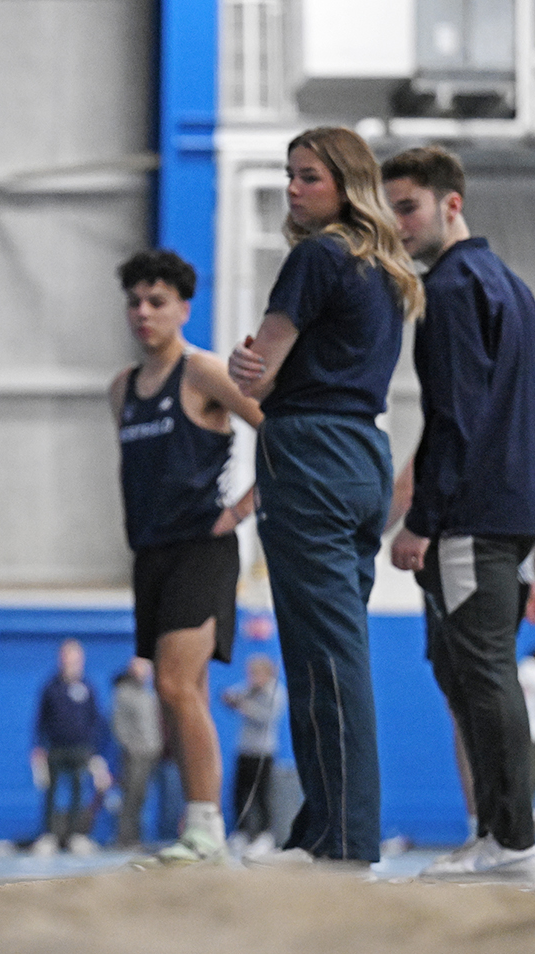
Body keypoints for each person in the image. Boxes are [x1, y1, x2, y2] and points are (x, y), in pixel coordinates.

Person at [228, 126, 424, 866]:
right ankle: (321, 830)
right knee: (328, 653)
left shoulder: (318, 257)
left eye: (308, 176)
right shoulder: (385, 268)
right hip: (363, 454)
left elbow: (256, 373)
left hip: (310, 452)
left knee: (324, 660)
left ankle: (342, 839)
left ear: (346, 183)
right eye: (289, 174)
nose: (292, 187)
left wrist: (250, 364)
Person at [380, 145, 535, 877]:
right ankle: (499, 836)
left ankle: (511, 839)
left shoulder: (448, 289)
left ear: (451, 203)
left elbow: (457, 418)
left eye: (407, 207)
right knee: (464, 666)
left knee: (482, 671)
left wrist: (422, 520)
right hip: (510, 513)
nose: (398, 225)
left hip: (475, 515)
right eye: (390, 211)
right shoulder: (512, 286)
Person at [109, 249, 263, 865]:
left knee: (173, 684)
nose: (143, 313)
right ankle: (198, 831)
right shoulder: (120, 390)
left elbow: (278, 431)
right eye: (135, 302)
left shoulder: (201, 373)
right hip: (151, 554)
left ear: (183, 308)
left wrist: (241, 509)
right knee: (183, 693)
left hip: (204, 547)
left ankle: (206, 830)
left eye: (157, 302)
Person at [30, 639, 108, 854]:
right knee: (51, 793)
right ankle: (49, 835)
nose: (69, 662)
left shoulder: (88, 687)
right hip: (55, 749)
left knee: (78, 792)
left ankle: (76, 835)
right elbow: (40, 719)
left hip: (81, 750)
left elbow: (95, 719)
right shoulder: (50, 687)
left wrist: (95, 751)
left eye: (74, 657)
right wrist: (38, 747)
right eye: (65, 657)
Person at [220, 653, 287, 855]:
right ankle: (241, 833)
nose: (253, 678)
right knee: (240, 793)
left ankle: (265, 835)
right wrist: (232, 699)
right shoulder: (249, 688)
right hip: (245, 749)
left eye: (257, 674)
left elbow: (267, 718)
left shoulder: (275, 692)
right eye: (251, 674)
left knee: (262, 795)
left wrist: (244, 706)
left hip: (264, 752)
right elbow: (229, 694)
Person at [111, 657, 163, 849]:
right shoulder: (124, 694)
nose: (145, 673)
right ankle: (124, 838)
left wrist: (157, 745)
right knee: (130, 797)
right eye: (141, 669)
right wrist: (131, 746)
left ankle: (136, 837)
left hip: (151, 753)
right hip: (134, 755)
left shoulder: (149, 694)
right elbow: (118, 725)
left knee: (141, 797)